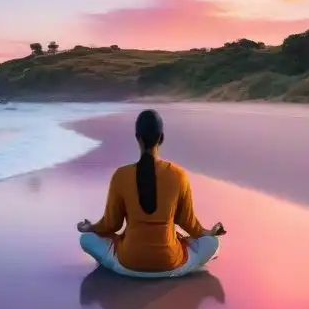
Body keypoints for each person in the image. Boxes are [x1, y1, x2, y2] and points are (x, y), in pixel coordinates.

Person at [77, 109, 226, 277]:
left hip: (128, 265)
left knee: (86, 239)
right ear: (161, 138)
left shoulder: (121, 175)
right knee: (212, 243)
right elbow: (188, 223)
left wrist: (91, 227)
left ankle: (113, 263)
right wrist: (209, 232)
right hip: (171, 264)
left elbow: (112, 225)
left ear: (137, 138)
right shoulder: (178, 175)